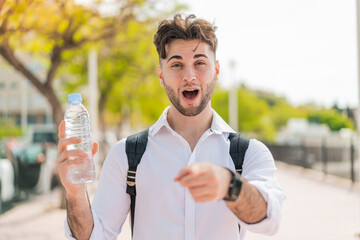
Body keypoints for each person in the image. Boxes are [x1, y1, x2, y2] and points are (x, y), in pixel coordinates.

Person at [57, 13, 286, 240]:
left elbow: (270, 220)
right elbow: (97, 237)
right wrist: (75, 193)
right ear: (161, 75)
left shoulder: (249, 153)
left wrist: (230, 185)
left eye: (200, 63)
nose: (189, 76)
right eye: (176, 65)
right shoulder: (127, 155)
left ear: (216, 71)